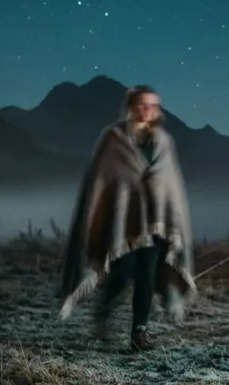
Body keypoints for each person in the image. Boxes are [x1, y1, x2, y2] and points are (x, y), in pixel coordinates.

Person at [58, 84, 196, 351]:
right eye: (143, 105)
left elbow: (171, 186)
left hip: (155, 224)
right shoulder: (114, 138)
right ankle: (103, 315)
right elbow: (101, 182)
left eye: (153, 105)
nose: (148, 111)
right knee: (122, 274)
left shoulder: (164, 142)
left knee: (146, 276)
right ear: (131, 107)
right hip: (122, 225)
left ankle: (139, 333)